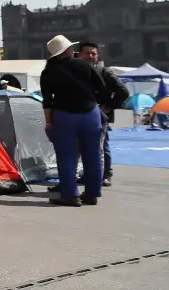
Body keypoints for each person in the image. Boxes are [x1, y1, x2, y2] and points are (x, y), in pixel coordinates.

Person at [40, 35, 107, 206]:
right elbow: (101, 86)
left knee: (67, 156)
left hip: (64, 115)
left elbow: (47, 101)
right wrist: (89, 97)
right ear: (67, 50)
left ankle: (70, 195)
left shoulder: (48, 72)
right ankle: (92, 194)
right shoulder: (83, 64)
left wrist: (48, 123)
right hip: (91, 114)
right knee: (92, 156)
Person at [76, 42, 128, 187]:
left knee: (102, 146)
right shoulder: (77, 72)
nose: (90, 56)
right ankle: (88, 175)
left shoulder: (105, 72)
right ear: (79, 54)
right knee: (85, 146)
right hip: (82, 113)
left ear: (97, 56)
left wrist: (107, 107)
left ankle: (106, 175)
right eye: (87, 53)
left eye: (93, 53)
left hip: (99, 114)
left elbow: (124, 92)